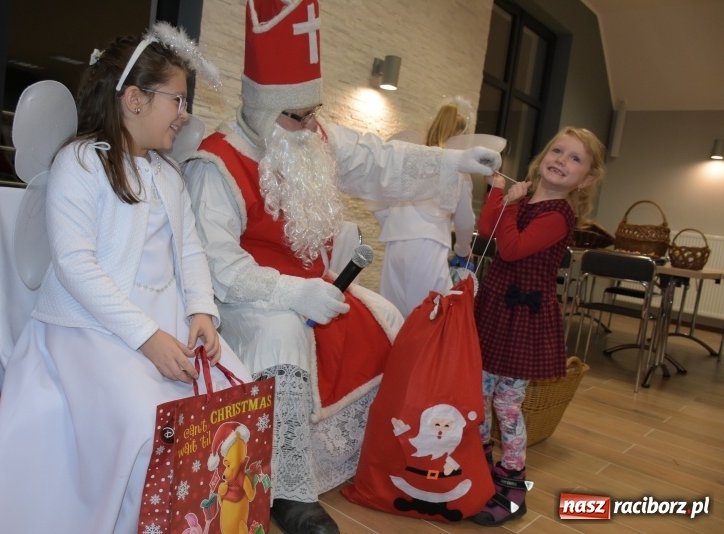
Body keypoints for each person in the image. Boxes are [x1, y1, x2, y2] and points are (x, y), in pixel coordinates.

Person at [183, 1, 500, 533]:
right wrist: (292, 293)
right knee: (283, 334)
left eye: (314, 112)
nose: (311, 126)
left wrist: (453, 162)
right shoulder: (216, 163)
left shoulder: (313, 136)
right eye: (296, 116)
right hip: (243, 301)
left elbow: (381, 161)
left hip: (312, 287)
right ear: (263, 110)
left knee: (383, 316)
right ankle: (285, 490)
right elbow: (216, 266)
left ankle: (368, 457)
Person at [0, 24, 251, 534]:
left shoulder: (169, 176)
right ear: (134, 99)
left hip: (162, 322)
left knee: (228, 401)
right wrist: (147, 338)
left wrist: (200, 309)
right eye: (176, 99)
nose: (184, 113)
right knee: (145, 420)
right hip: (89, 330)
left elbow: (191, 250)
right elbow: (76, 266)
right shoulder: (81, 163)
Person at [471, 127, 605, 526]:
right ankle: (481, 474)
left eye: (574, 158)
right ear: (543, 156)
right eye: (557, 150)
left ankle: (513, 488)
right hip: (495, 308)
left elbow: (510, 248)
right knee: (477, 396)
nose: (562, 160)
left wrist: (510, 204)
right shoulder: (524, 199)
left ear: (587, 179)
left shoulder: (559, 215)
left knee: (507, 405)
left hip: (523, 317)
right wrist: (499, 193)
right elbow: (486, 231)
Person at [373, 98, 476, 317]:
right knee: (431, 316)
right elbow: (465, 221)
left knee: (393, 315)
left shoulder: (410, 160)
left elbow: (380, 200)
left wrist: (394, 225)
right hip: (429, 244)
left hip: (395, 243)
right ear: (460, 135)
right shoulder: (458, 170)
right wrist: (463, 250)